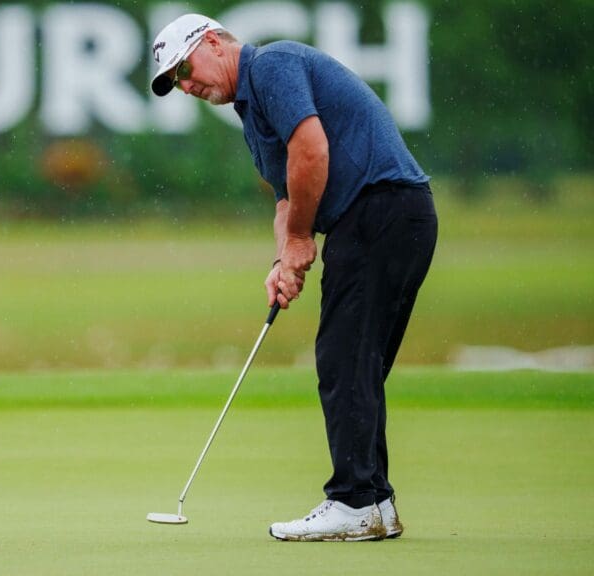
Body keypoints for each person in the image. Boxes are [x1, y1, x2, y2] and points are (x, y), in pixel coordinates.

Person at [150, 14, 438, 542]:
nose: (188, 85)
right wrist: (284, 257)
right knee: (357, 362)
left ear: (213, 42)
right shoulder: (251, 113)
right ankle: (375, 503)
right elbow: (286, 196)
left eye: (186, 68)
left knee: (343, 358)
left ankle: (353, 503)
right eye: (176, 83)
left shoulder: (273, 66)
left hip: (382, 211)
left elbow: (312, 149)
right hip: (387, 218)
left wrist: (303, 240)